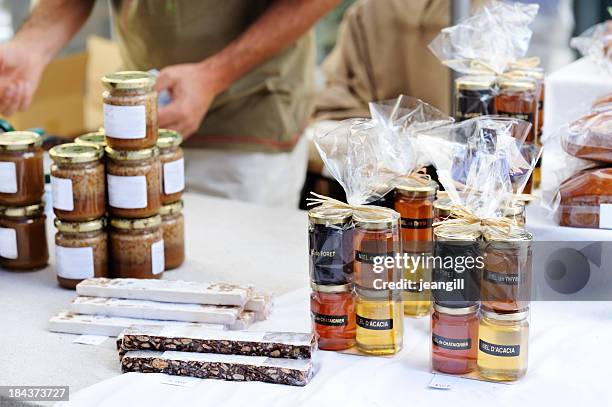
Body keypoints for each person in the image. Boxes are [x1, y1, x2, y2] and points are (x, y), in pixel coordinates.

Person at [0, 0, 340, 208]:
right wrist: (31, 46)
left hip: (246, 121)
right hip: (143, 123)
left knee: (230, 296)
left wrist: (213, 76)